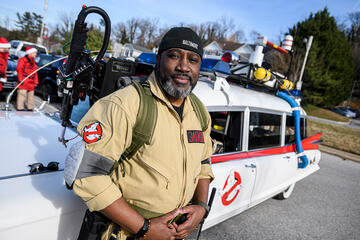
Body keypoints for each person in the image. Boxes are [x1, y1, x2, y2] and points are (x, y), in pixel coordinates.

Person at [73, 27, 214, 240]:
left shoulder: (200, 112)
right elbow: (88, 174)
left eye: (193, 60)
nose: (184, 66)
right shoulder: (126, 104)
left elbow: (203, 162)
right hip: (128, 233)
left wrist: (201, 207)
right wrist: (145, 228)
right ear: (159, 59)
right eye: (175, 56)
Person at [16, 46, 38, 111]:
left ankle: (30, 108)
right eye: (34, 53)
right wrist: (20, 79)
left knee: (31, 96)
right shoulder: (22, 60)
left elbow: (35, 72)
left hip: (31, 81)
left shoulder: (33, 62)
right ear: (29, 53)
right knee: (22, 95)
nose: (35, 54)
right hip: (24, 80)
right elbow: (19, 69)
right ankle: (20, 108)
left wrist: (36, 81)